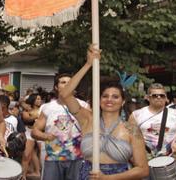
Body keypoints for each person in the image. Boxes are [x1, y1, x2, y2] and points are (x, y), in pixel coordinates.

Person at [61, 46, 149, 180]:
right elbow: (65, 94)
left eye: (115, 96)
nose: (109, 100)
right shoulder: (87, 119)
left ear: (123, 101)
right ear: (99, 99)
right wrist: (88, 64)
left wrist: (108, 178)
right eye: (105, 96)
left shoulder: (132, 130)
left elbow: (143, 170)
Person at [32, 72, 90, 180]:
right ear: (56, 87)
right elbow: (34, 131)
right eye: (63, 82)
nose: (67, 85)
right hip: (53, 158)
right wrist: (46, 136)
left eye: (70, 82)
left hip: (78, 158)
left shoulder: (84, 106)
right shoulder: (47, 107)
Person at [129, 83, 176, 158]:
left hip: (169, 160)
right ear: (148, 98)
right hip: (143, 160)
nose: (159, 97)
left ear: (166, 98)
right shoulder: (136, 115)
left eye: (162, 95)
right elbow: (129, 138)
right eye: (154, 95)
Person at [22, 92, 43, 178]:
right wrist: (35, 115)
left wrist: (34, 114)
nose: (40, 100)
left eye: (40, 99)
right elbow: (27, 119)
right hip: (29, 133)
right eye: (37, 99)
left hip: (41, 133)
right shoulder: (26, 111)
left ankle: (40, 173)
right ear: (33, 100)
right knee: (27, 155)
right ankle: (23, 176)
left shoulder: (44, 109)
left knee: (42, 154)